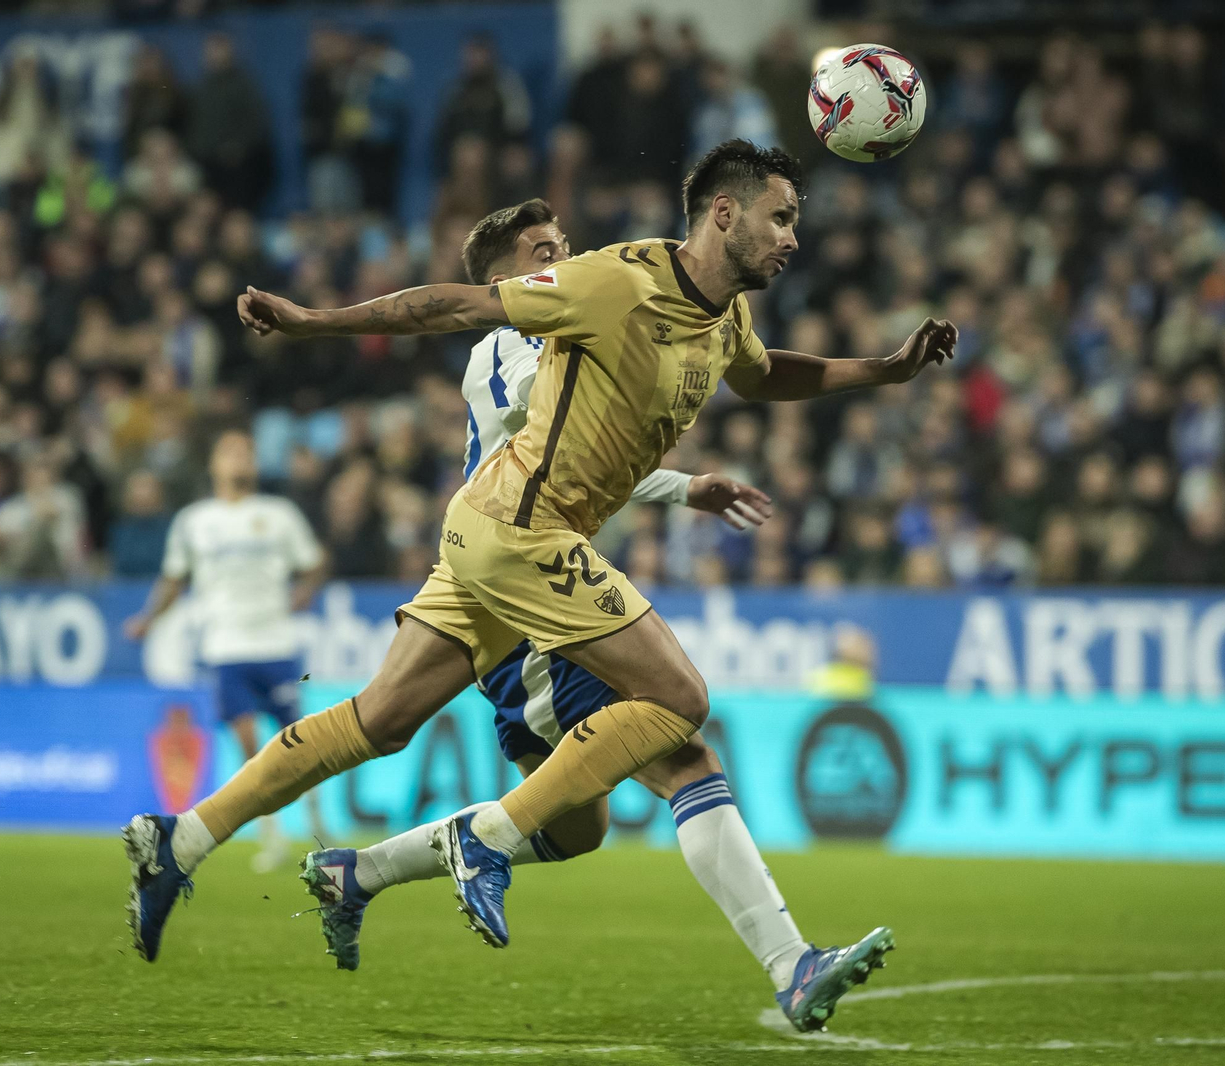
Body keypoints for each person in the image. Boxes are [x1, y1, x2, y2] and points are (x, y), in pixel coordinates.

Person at [131, 140, 954, 1031]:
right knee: (679, 710)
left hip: (487, 539)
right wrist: (310, 322)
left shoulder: (716, 316)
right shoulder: (580, 302)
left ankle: (191, 839)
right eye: (783, 216)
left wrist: (885, 370)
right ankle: (515, 855)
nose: (795, 236)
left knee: (396, 729)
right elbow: (446, 308)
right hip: (523, 537)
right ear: (726, 212)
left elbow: (762, 376)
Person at [295, 199, 840, 1024]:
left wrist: (685, 483)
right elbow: (558, 434)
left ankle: (356, 873)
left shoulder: (557, 336)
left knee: (583, 826)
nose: (567, 259)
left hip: (537, 583)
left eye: (566, 247)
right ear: (508, 279)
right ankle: (791, 964)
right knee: (684, 749)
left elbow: (596, 445)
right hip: (527, 599)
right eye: (545, 252)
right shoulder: (511, 347)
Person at [124, 430, 330, 872]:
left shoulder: (278, 514)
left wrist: (304, 591)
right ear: (215, 465)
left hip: (276, 644)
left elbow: (314, 563)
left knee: (299, 742)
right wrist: (146, 619)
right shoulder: (195, 521)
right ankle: (272, 836)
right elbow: (174, 580)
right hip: (226, 648)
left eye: (246, 452)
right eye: (230, 451)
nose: (239, 459)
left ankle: (318, 827)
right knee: (250, 748)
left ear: (254, 464)